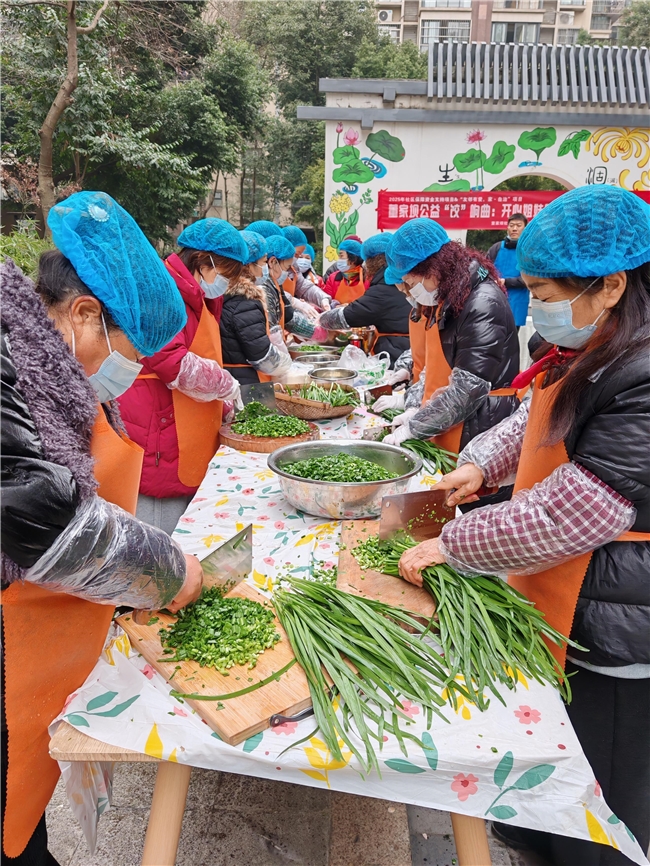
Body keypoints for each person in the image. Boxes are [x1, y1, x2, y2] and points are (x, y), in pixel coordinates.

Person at [398, 186, 650, 866]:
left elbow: (575, 511)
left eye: (541, 291)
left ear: (611, 284)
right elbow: (535, 416)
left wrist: (451, 544)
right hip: (568, 592)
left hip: (620, 610)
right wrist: (479, 464)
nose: (532, 306)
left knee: (607, 787)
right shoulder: (596, 343)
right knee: (555, 759)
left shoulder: (643, 371)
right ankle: (534, 833)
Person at [1, 191, 202, 866]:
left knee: (21, 818)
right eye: (124, 352)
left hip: (37, 630)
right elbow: (45, 517)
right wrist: (169, 571)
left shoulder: (48, 369)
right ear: (83, 314)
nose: (126, 373)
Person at [117, 218, 244, 535]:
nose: (225, 284)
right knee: (157, 532)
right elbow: (172, 361)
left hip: (184, 416)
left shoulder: (200, 295)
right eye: (224, 274)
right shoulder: (160, 291)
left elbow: (204, 353)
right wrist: (225, 386)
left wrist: (224, 405)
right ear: (203, 262)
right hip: (156, 421)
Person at [381, 219, 520, 485]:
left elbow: (467, 391)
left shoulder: (482, 303)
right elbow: (434, 367)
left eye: (411, 282)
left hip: (477, 430)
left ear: (434, 269)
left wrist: (415, 426)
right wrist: (414, 406)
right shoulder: (449, 297)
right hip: (449, 422)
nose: (410, 292)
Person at [318, 232, 411, 366]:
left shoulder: (383, 288)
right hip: (403, 350)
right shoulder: (397, 281)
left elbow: (351, 314)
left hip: (397, 353)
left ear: (373, 262)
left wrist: (320, 319)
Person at [219, 240, 292, 385]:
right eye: (264, 262)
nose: (265, 268)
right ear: (248, 264)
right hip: (246, 381)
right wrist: (289, 366)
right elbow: (262, 356)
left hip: (236, 375)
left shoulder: (229, 293)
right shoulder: (244, 302)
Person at [262, 235, 328, 344]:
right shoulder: (264, 287)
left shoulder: (279, 278)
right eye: (297, 254)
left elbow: (303, 288)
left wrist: (324, 299)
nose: (298, 258)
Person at [486, 212, 529, 329]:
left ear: (525, 228)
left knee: (511, 340)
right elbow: (483, 269)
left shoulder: (529, 251)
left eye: (518, 225)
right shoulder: (496, 248)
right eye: (511, 225)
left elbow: (530, 279)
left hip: (516, 302)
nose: (514, 228)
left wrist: (506, 282)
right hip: (494, 300)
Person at [323, 238, 366, 303]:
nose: (339, 260)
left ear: (353, 259)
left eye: (341, 256)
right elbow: (326, 301)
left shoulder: (366, 278)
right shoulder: (333, 278)